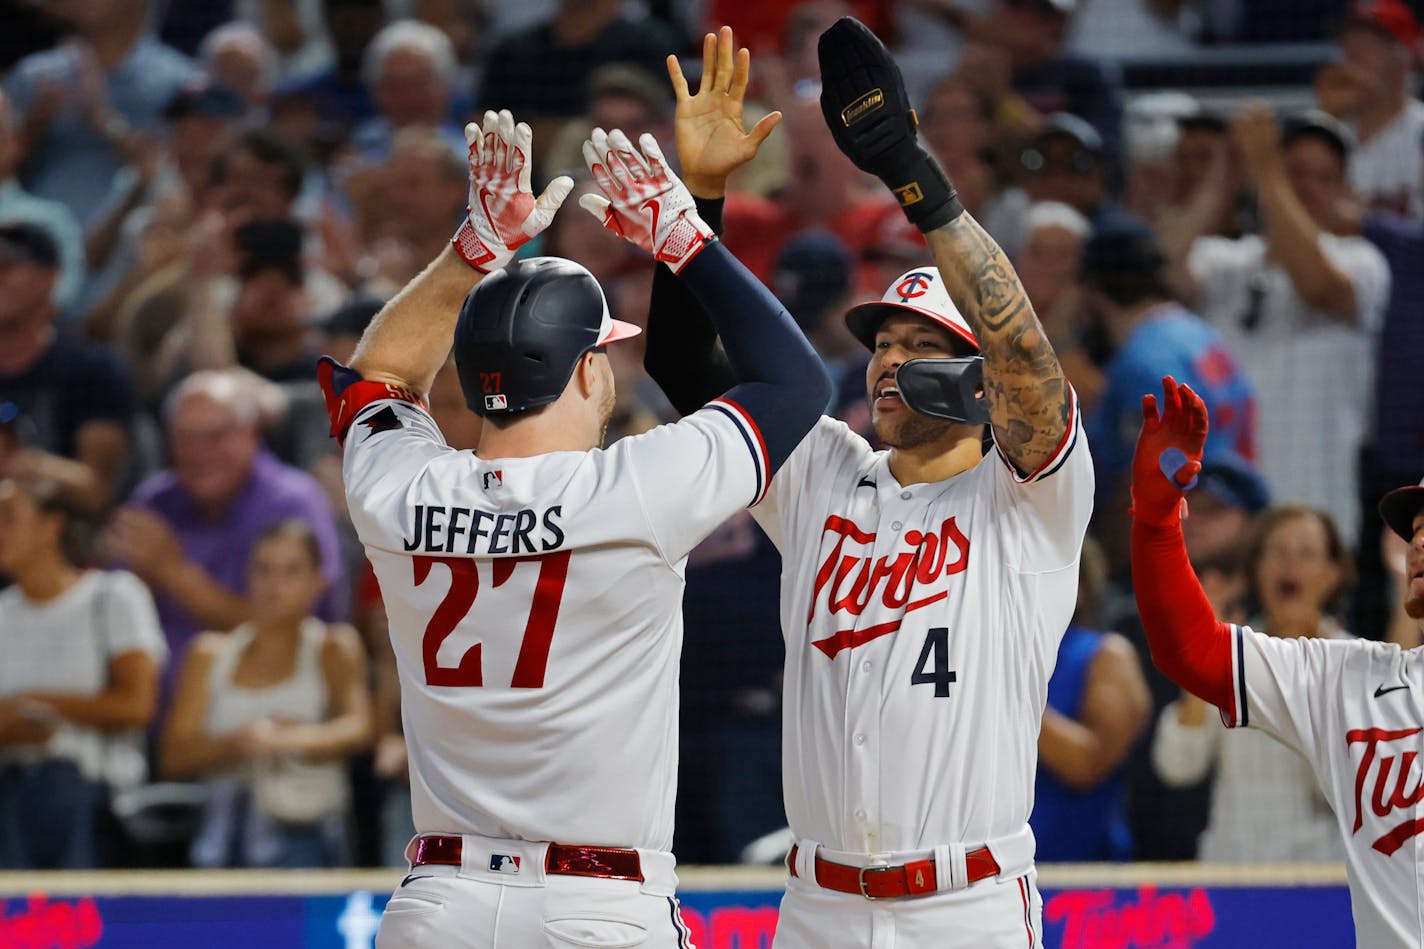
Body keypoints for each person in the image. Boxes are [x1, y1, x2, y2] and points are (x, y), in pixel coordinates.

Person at [319, 72, 828, 944]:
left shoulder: (400, 488)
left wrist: (475, 247)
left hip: (438, 901)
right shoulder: (634, 489)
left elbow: (380, 373)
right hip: (593, 906)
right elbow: (798, 381)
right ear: (588, 370)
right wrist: (685, 238)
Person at [645, 21, 1089, 945]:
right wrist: (704, 200)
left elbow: (1026, 357)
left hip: (966, 905)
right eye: (881, 343)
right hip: (819, 908)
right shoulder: (824, 473)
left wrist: (910, 173)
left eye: (920, 346)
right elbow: (686, 367)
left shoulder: (1029, 496)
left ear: (974, 378)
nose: (888, 361)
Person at [1131, 376, 1424, 948]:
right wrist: (1156, 517)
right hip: (1241, 888)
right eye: (1415, 532)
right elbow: (1191, 651)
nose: (1418, 545)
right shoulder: (1348, 675)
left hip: (1313, 887)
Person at [1181, 105, 1390, 546]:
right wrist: (1224, 178)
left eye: (1323, 177)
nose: (1307, 186)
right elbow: (1159, 267)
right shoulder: (1224, 260)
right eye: (1295, 171)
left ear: (1344, 190)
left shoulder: (1362, 262)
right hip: (1223, 517)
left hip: (1317, 512)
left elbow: (1318, 287)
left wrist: (1268, 172)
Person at [109, 369, 345, 705]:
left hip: (266, 720)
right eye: (184, 438)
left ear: (252, 433)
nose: (198, 451)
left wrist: (172, 573)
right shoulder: (154, 501)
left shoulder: (293, 502)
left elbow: (295, 634)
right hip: (153, 717)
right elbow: (112, 618)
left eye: (216, 436)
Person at [159, 520, 371, 868]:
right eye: (264, 570)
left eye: (291, 572)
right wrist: (236, 743)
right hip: (222, 832)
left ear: (319, 582)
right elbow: (173, 756)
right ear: (247, 577)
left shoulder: (334, 646)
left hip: (307, 830)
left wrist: (281, 739)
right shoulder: (209, 653)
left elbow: (359, 728)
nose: (275, 585)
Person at [1152, 504, 1355, 862]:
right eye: (1277, 552)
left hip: (1324, 873)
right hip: (1232, 869)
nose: (1290, 565)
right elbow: (1177, 765)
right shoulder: (1232, 652)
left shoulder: (1353, 661)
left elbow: (1352, 787)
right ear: (1256, 569)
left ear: (1333, 573)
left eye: (1306, 553)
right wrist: (1199, 655)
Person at [0, 473, 166, 869]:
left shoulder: (112, 597)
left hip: (91, 797)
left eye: (8, 516)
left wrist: (34, 706)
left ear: (51, 525)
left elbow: (137, 705)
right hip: (9, 796)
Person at [0, 222, 134, 513]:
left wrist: (24, 465)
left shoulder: (92, 370)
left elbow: (97, 491)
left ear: (50, 279)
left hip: (60, 538)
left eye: (7, 266)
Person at [1031, 536, 1150, 862]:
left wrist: (1006, 693)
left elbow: (1088, 765)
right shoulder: (973, 653)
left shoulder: (1106, 655)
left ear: (1079, 586)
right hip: (990, 877)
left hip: (1085, 877)